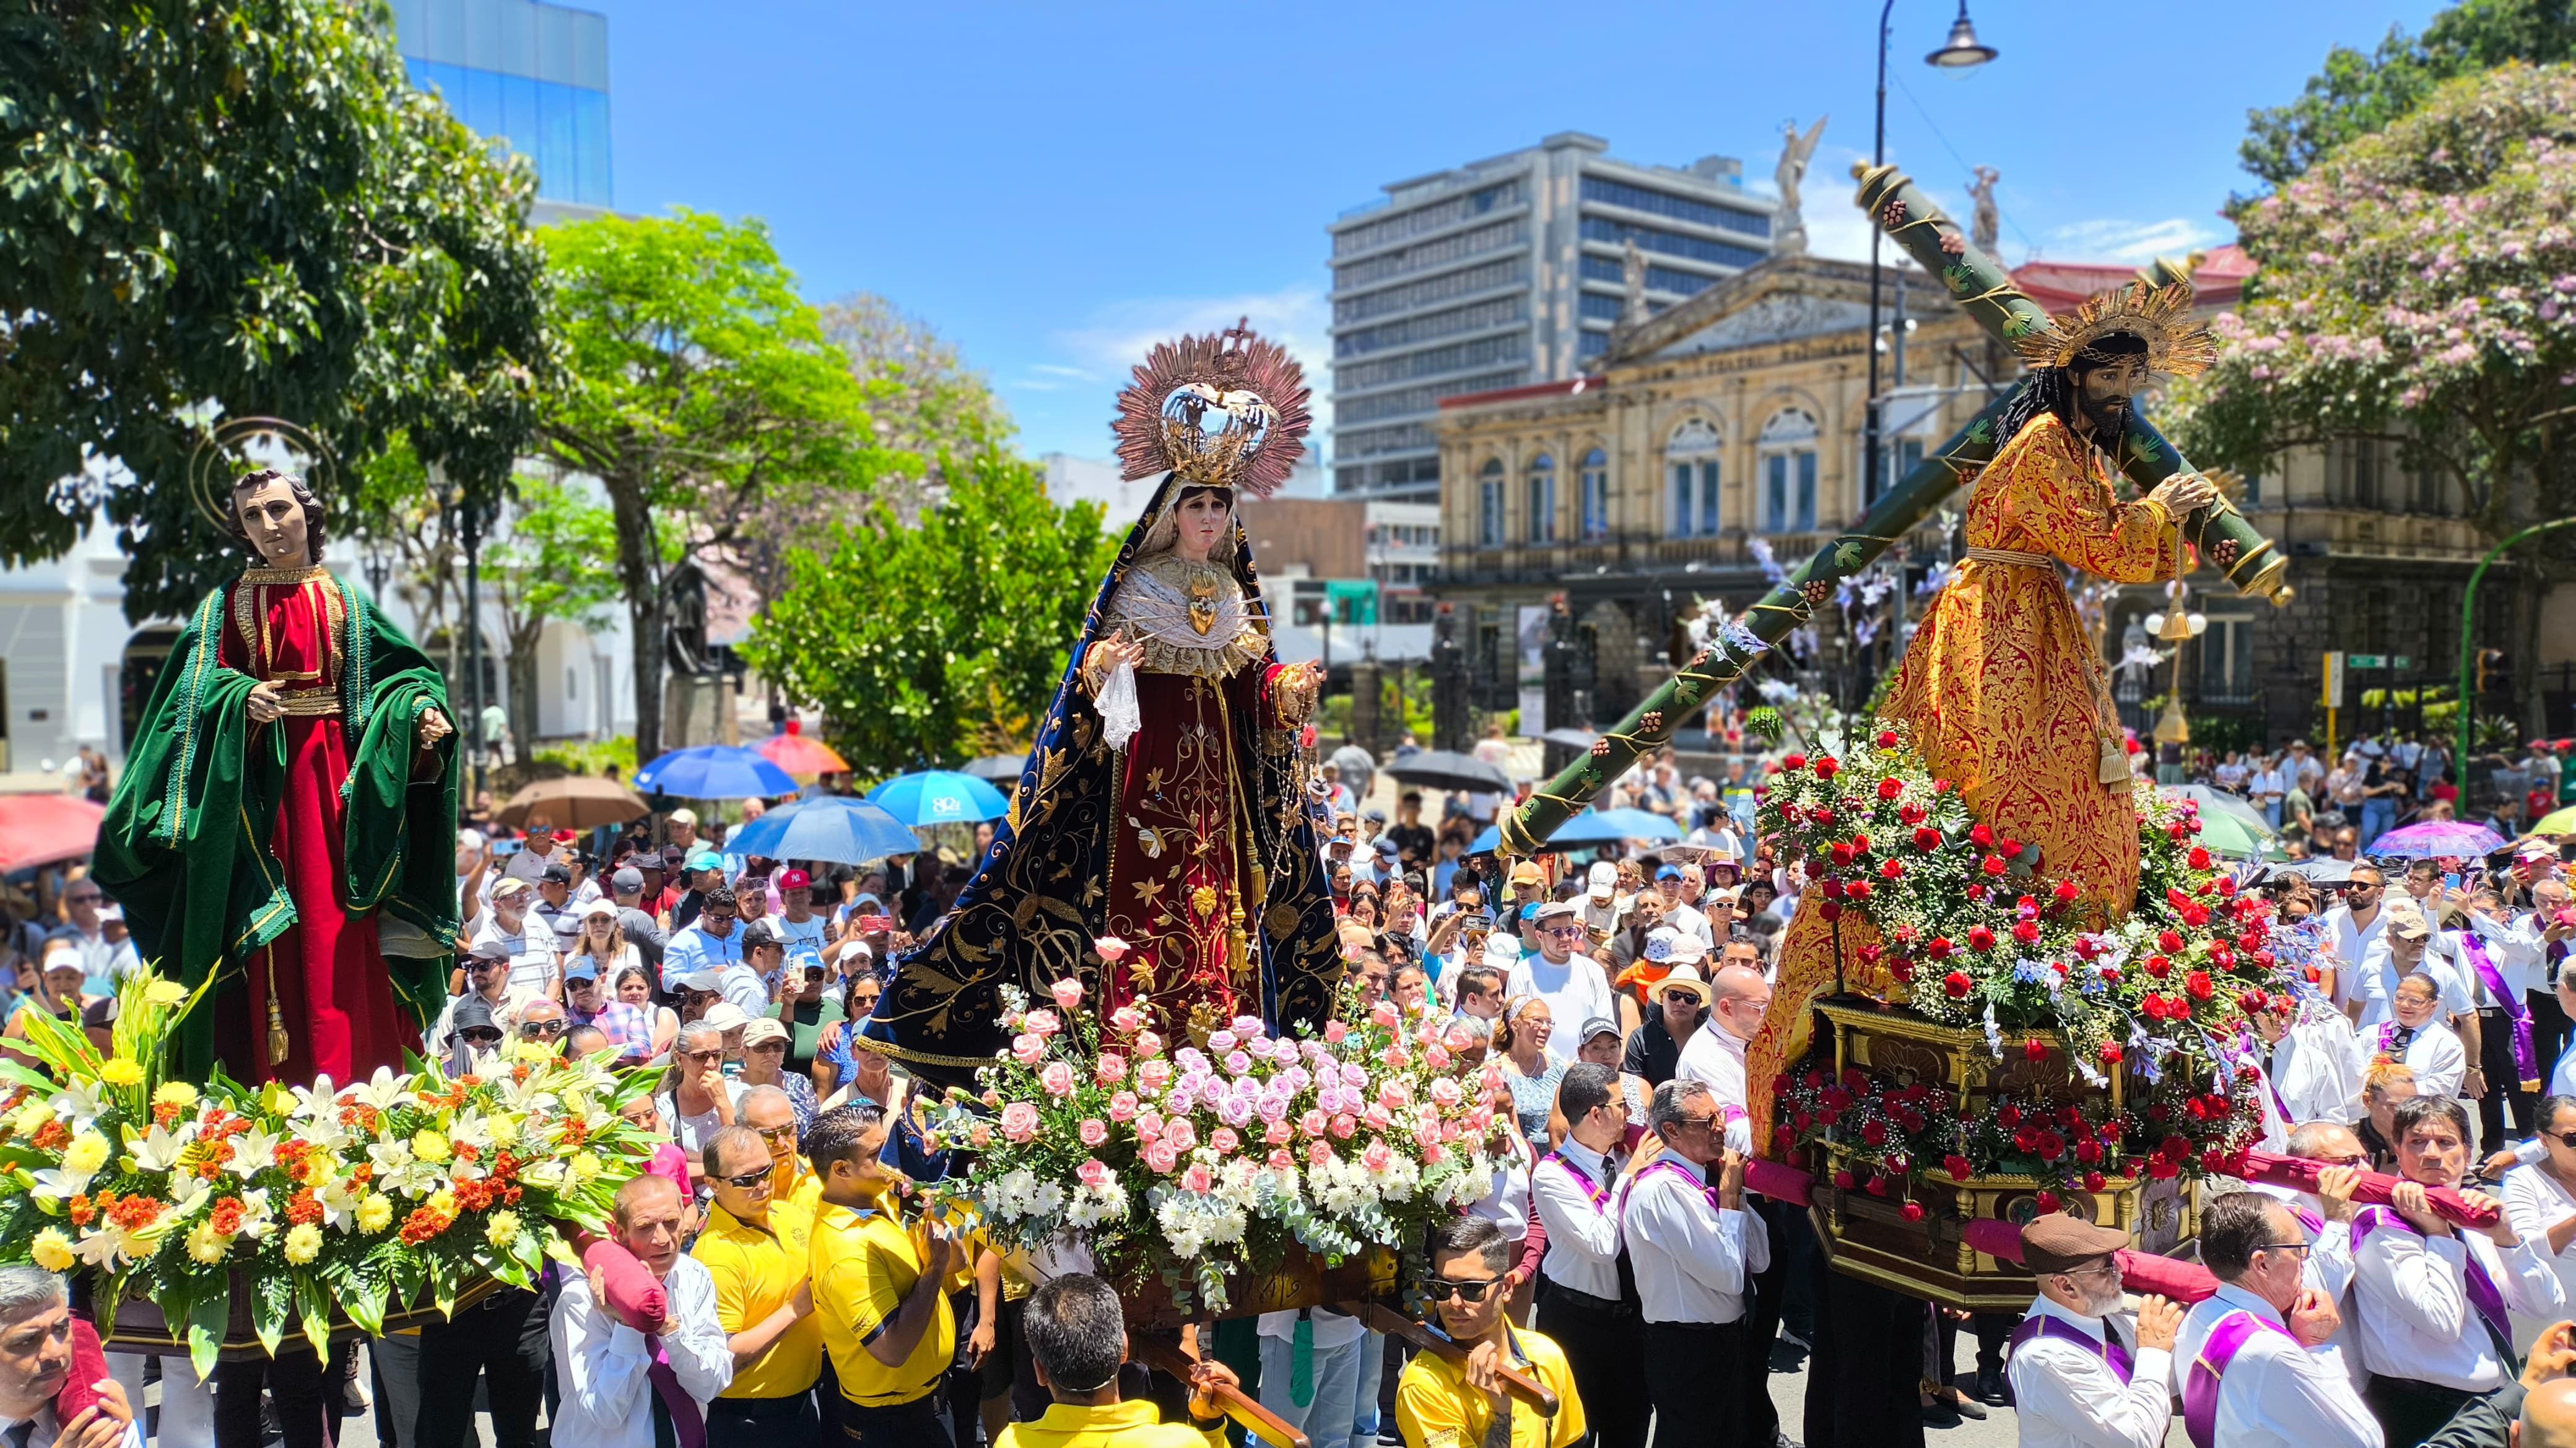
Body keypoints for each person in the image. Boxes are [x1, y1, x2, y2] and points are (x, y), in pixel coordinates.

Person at [868, 329, 1337, 1068]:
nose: (1209, 517)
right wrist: (1106, 663)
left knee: (1219, 915)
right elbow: (1088, 674)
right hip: (1144, 787)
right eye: (1196, 504)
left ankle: (1225, 1057)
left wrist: (1288, 688)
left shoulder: (1233, 593)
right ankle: (1134, 1055)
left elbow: (1250, 686)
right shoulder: (1139, 585)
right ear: (1172, 511)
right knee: (1147, 914)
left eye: (1219, 506)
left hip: (1217, 800)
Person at [94, 467, 458, 1084]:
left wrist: (419, 710)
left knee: (343, 921)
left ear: (306, 514)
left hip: (338, 789)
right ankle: (275, 1085)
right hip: (262, 793)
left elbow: (403, 675)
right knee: (276, 931)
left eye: (279, 508)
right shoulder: (226, 604)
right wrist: (240, 697)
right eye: (252, 515)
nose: (268, 524)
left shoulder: (346, 601)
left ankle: (364, 1079)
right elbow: (190, 692)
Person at [2351, 1095, 2565, 1444]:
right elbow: (2442, 1321)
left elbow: (2545, 1306)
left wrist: (2507, 1240)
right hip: (2422, 1409)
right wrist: (2439, 1235)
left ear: (2467, 1154)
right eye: (2417, 1142)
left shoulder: (2468, 1213)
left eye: (2446, 1142)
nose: (2432, 1154)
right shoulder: (2381, 1223)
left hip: (2491, 1401)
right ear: (2398, 1150)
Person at [1621, 1080, 1767, 1448]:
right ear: (1672, 1130)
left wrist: (1734, 1194)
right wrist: (1729, 1195)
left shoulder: (1705, 1178)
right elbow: (1730, 1276)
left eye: (1720, 1116)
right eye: (1708, 1121)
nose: (1722, 1128)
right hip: (1687, 1348)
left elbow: (1760, 1259)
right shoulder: (1663, 1189)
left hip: (1724, 1339)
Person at [806, 1102, 961, 1445]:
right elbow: (893, 1349)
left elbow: (957, 1263)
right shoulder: (846, 1249)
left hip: (924, 1401)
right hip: (891, 1422)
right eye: (878, 1154)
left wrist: (940, 1222)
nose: (892, 1159)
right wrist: (934, 1269)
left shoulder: (876, 1204)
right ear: (842, 1169)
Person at [2176, 1191, 2380, 1448]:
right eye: (2298, 1250)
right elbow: (2365, 1442)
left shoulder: (2197, 1317)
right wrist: (2317, 1348)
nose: (2304, 1260)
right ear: (2262, 1264)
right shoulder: (2272, 1354)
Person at [549, 1174, 733, 1448]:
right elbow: (605, 1412)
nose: (663, 1239)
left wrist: (667, 1329)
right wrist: (628, 1325)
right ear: (621, 1234)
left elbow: (710, 1385)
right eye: (646, 1227)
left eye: (671, 1223)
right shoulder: (580, 1301)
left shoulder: (692, 1275)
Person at [1528, 1063, 1645, 1448]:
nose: (1630, 1113)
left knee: (1630, 1429)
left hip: (1631, 1319)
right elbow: (1602, 1246)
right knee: (1573, 1435)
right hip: (1576, 1321)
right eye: (1622, 1105)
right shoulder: (1552, 1175)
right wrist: (1629, 1179)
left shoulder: (1626, 1156)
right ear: (1597, 1114)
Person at [1393, 1215, 1585, 1448]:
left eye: (1471, 1289)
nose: (1454, 1302)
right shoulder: (1423, 1385)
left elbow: (1572, 1442)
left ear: (1506, 1288)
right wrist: (1499, 1413)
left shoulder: (1547, 1355)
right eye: (1442, 1288)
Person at [997, 1273, 1240, 1448]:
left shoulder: (1012, 1442)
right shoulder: (1180, 1443)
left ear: (1040, 1372)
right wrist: (1209, 1425)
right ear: (1125, 1349)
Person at [2000, 1212, 2180, 1448]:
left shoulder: (2094, 1309)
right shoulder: (2048, 1358)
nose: (2119, 1272)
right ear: (2067, 1286)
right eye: (2106, 1267)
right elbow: (2138, 1441)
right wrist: (2153, 1353)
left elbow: (2172, 1380)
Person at [691, 1125, 822, 1447]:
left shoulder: (788, 1214)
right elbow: (726, 1355)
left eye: (767, 1171)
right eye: (746, 1180)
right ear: (713, 1185)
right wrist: (795, 1309)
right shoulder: (717, 1255)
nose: (762, 1185)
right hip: (750, 1420)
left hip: (804, 1403)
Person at [1505, 902, 1614, 1062]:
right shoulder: (1521, 973)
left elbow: (1604, 1023)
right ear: (1540, 936)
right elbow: (1516, 1027)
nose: (1566, 938)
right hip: (1538, 1066)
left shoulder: (1594, 971)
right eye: (1557, 933)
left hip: (1585, 1066)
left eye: (1570, 931)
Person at [2367, 972, 2468, 1101]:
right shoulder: (2371, 1034)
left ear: (2433, 1006)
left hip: (2422, 1111)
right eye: (2399, 998)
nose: (2404, 1005)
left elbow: (2442, 1087)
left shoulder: (2446, 1043)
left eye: (2415, 1001)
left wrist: (2393, 1095)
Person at [1621, 962, 1708, 1090]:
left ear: (1699, 1004)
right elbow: (1633, 1089)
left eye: (1690, 998)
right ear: (1662, 997)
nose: (1681, 1003)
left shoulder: (1710, 1039)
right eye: (1674, 995)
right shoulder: (1641, 1038)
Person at [734, 1018, 818, 1140]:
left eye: (778, 1046)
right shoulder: (731, 1090)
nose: (771, 1053)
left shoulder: (799, 1082)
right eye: (762, 1047)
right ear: (744, 1054)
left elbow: (816, 1123)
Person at [1494, 998, 1563, 1146]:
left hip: (1557, 1155)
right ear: (1515, 1025)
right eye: (1538, 1021)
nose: (1546, 1028)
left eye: (1549, 1022)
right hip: (1518, 1154)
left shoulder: (1558, 1068)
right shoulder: (1497, 1071)